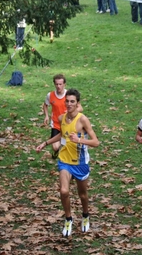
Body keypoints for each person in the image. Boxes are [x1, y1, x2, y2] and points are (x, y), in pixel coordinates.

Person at [36, 89, 100, 237]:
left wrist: (80, 140)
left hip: (80, 163)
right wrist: (45, 143)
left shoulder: (82, 119)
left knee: (82, 194)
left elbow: (96, 142)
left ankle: (85, 215)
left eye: (72, 101)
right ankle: (68, 219)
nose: (69, 104)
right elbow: (61, 134)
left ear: (77, 103)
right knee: (64, 191)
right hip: (64, 160)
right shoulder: (62, 118)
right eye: (67, 101)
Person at [43, 74, 82, 159]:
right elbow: (45, 105)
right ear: (54, 84)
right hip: (56, 124)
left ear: (64, 84)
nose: (58, 86)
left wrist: (69, 112)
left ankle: (64, 156)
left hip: (67, 123)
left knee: (65, 143)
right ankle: (58, 150)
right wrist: (46, 116)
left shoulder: (69, 96)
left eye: (60, 84)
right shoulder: (50, 95)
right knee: (55, 147)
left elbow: (80, 108)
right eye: (56, 84)